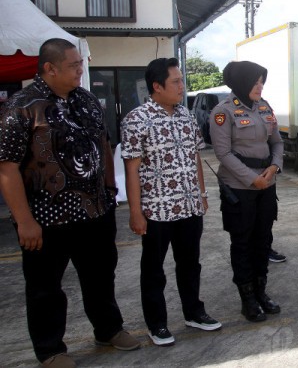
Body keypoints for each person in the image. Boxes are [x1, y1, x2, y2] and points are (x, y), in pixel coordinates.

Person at [0, 38, 140, 368]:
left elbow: (104, 146)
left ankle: (108, 329)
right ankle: (50, 350)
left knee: (101, 276)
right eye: (74, 65)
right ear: (49, 69)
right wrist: (24, 221)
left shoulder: (88, 101)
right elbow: (6, 168)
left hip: (95, 211)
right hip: (46, 219)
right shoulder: (22, 106)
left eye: (81, 64)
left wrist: (109, 194)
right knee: (45, 288)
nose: (81, 70)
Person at [121, 58, 221, 347]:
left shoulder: (186, 116)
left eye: (181, 81)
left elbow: (195, 159)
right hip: (156, 210)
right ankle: (157, 324)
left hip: (189, 206)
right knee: (153, 270)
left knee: (190, 264)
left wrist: (202, 196)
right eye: (176, 82)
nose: (182, 86)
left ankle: (193, 312)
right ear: (157, 86)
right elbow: (132, 170)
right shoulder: (136, 120)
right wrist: (135, 212)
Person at [210, 61, 283, 323]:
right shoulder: (223, 112)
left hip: (267, 184)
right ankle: (248, 298)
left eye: (262, 81)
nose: (260, 86)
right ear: (241, 82)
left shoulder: (265, 107)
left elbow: (277, 142)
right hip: (240, 188)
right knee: (242, 242)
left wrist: (274, 167)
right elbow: (223, 153)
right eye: (255, 81)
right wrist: (253, 179)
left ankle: (261, 292)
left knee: (263, 240)